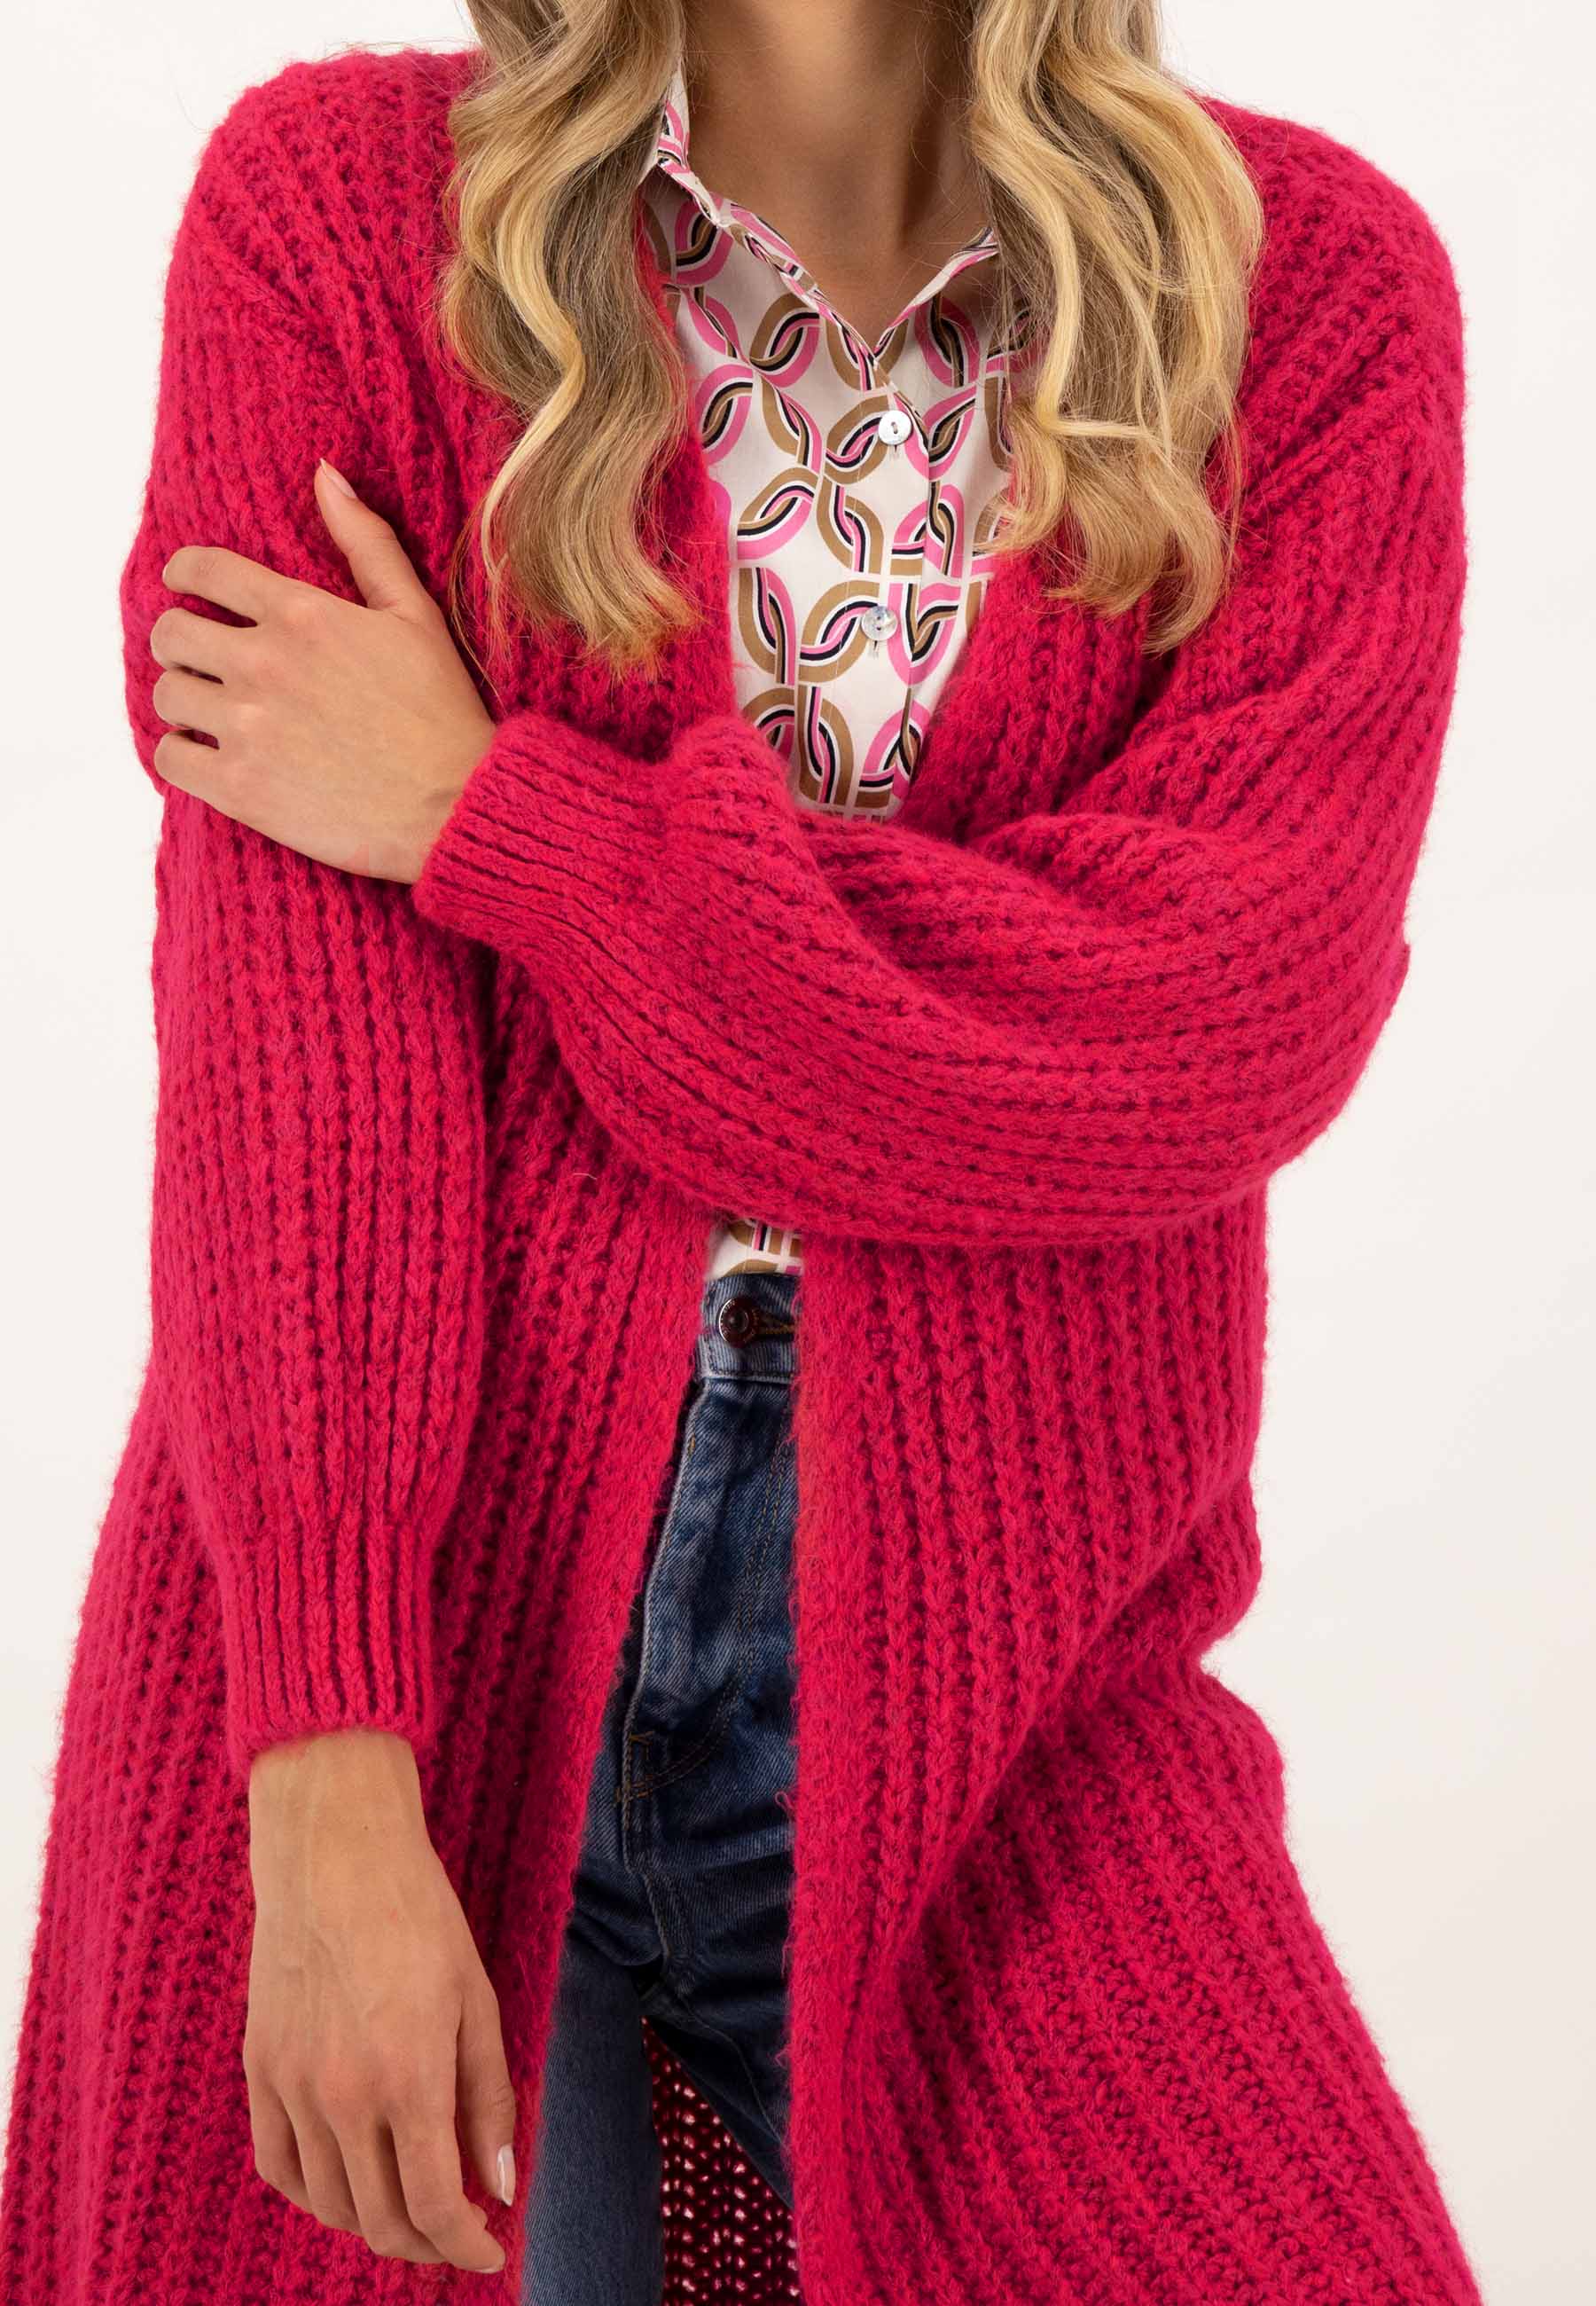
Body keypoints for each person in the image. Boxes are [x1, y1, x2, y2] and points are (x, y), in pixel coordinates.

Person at [0, 5, 1483, 2304]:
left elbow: (1215, 1024)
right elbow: (302, 1058)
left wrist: (503, 825)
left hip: (1021, 1693)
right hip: (415, 1632)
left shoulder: (1305, 290)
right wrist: (327, 1763)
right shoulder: (344, 217)